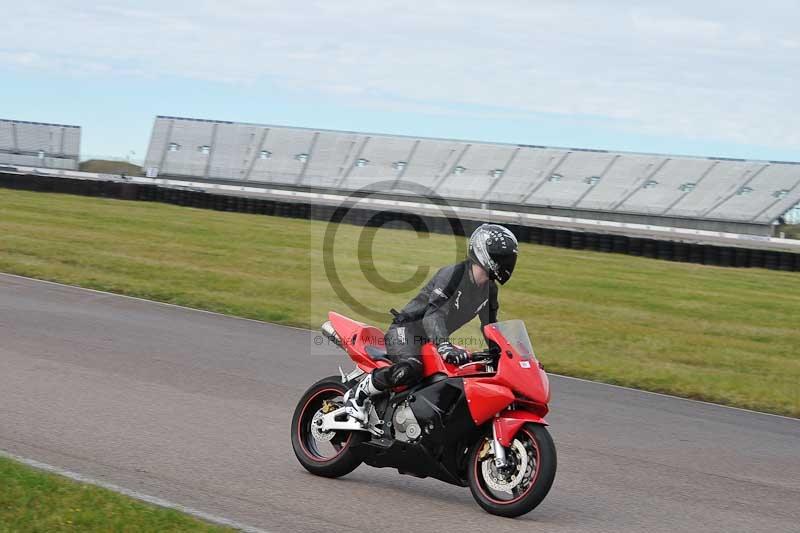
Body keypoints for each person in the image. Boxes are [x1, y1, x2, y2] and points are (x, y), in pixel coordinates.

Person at [343, 223, 519, 423]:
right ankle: (359, 394)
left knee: (463, 374)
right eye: (504, 256)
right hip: (407, 331)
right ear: (484, 252)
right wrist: (444, 345)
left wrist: (507, 356)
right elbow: (433, 314)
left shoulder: (490, 290)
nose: (509, 262)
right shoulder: (453, 275)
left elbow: (490, 327)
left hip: (431, 340)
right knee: (411, 368)